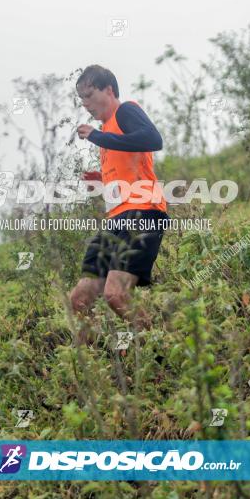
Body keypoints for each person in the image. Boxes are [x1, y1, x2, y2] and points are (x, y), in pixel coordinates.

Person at [68, 64, 169, 345]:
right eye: (82, 100)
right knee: (78, 300)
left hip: (144, 213)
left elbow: (153, 139)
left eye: (89, 95)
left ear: (109, 90)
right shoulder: (107, 131)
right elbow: (125, 171)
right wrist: (100, 180)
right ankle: (94, 368)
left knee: (116, 294)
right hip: (117, 220)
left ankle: (161, 352)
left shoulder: (125, 111)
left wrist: (98, 136)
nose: (86, 105)